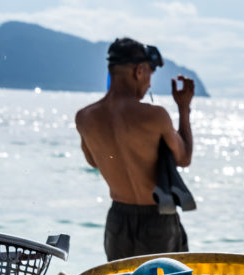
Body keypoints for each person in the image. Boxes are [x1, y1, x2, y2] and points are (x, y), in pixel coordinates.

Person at [75, 38, 195, 260]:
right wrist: (184, 108)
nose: (149, 83)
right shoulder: (155, 116)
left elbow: (93, 162)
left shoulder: (85, 117)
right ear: (139, 70)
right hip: (158, 221)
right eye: (150, 73)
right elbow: (184, 157)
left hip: (118, 221)